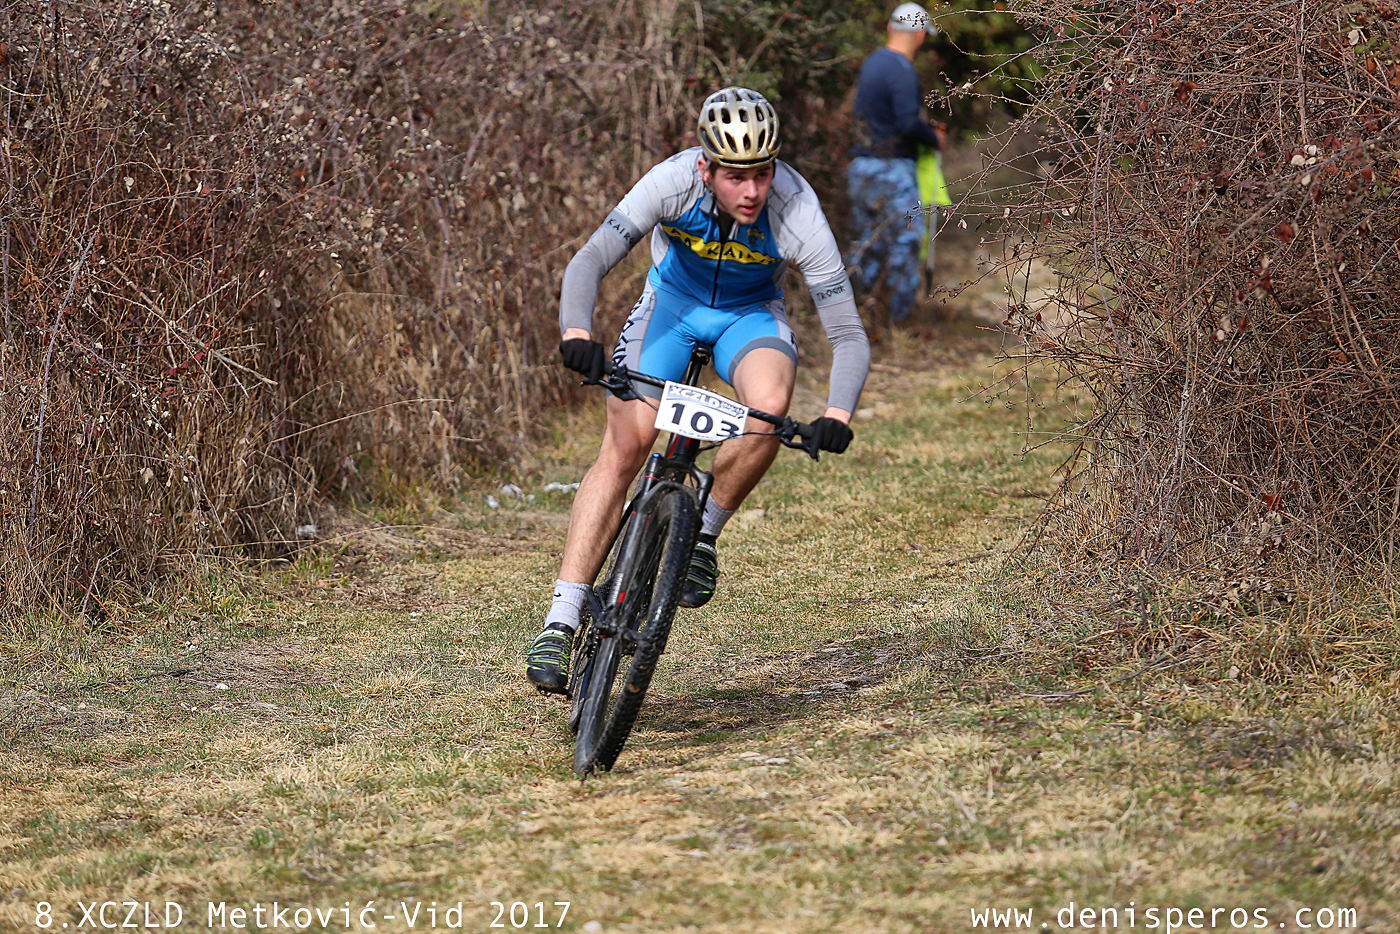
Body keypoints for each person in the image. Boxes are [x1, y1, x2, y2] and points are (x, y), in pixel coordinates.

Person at [525, 87, 872, 694]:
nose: (752, 192)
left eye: (762, 174)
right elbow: (589, 260)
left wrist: (838, 414)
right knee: (628, 445)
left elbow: (846, 331)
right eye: (736, 176)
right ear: (706, 168)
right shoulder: (671, 181)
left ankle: (702, 534)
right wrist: (576, 332)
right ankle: (561, 615)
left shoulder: (796, 210)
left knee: (769, 408)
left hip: (750, 316)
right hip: (672, 306)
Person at [846, 1, 946, 324]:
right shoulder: (902, 70)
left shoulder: (872, 63)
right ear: (919, 35)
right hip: (893, 170)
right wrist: (933, 138)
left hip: (861, 168)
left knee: (866, 245)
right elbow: (906, 123)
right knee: (905, 243)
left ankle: (856, 315)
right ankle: (898, 322)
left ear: (891, 28)